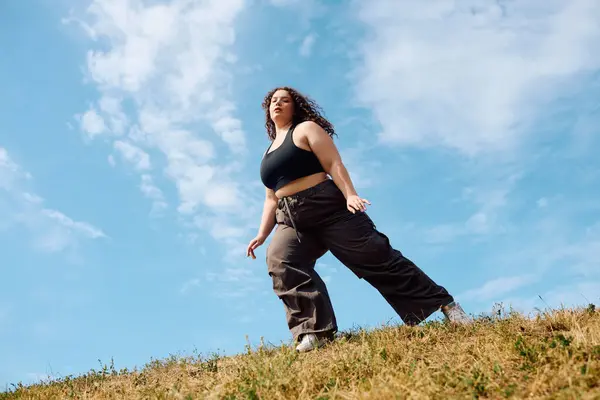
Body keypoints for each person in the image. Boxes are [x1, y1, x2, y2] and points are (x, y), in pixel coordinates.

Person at [246, 86, 470, 353]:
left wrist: (350, 194)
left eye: (285, 100)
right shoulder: (267, 153)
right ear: (267, 109)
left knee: (375, 256)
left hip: (326, 206)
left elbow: (333, 164)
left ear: (294, 107)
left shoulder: (305, 129)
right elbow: (271, 199)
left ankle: (446, 305)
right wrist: (262, 234)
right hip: (290, 218)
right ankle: (316, 332)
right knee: (281, 261)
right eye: (273, 101)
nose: (278, 104)